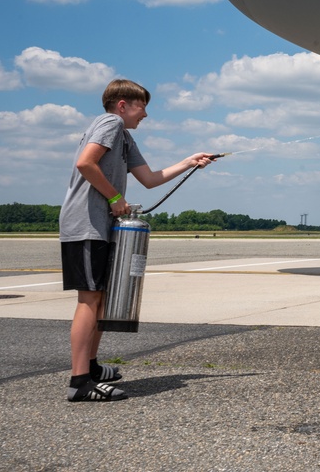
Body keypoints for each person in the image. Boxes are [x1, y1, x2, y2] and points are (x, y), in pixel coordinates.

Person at [60, 79, 216, 402]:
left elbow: (149, 179)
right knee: (89, 299)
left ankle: (90, 366)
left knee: (101, 298)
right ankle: (79, 381)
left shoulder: (124, 138)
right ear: (122, 105)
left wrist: (190, 161)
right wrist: (115, 196)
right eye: (141, 106)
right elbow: (85, 163)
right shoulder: (111, 123)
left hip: (101, 226)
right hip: (86, 224)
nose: (144, 113)